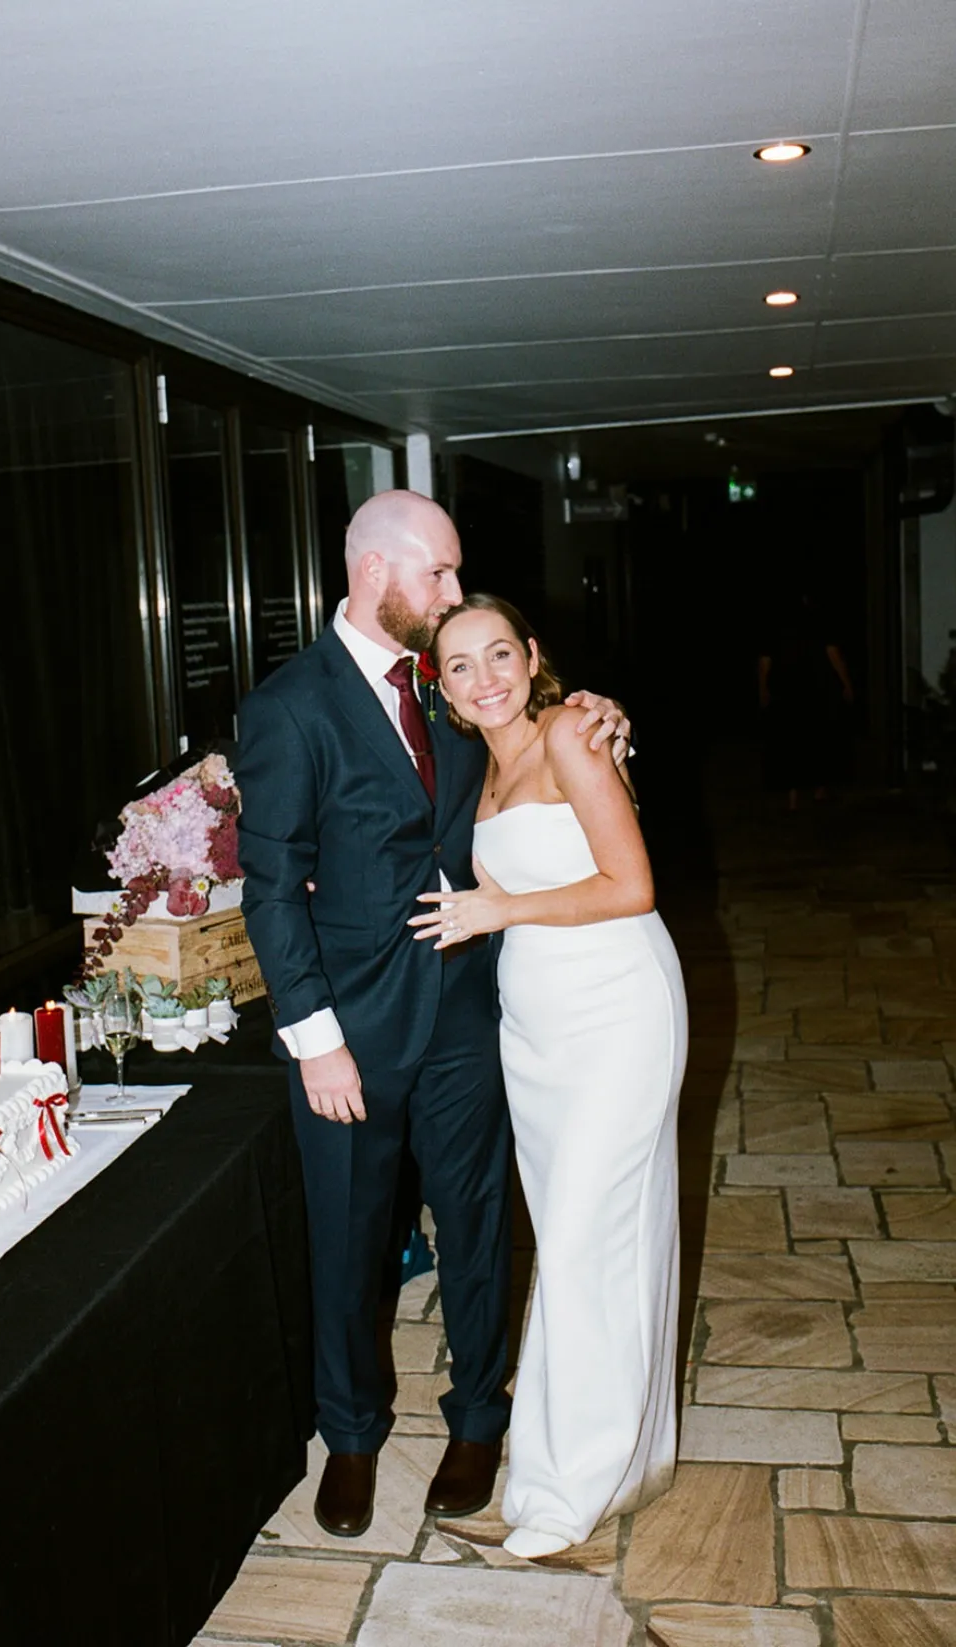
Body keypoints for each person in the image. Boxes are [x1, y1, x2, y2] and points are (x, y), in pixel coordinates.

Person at [235, 492, 629, 1540]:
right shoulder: (290, 706)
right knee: (349, 1243)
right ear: (374, 570)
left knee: (479, 1223)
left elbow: (534, 749)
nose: (455, 594)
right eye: (441, 573)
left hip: (467, 1014)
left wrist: (593, 713)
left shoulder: (452, 690)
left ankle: (478, 1421)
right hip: (349, 1036)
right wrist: (313, 1039)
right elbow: (269, 887)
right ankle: (352, 1437)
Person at [409, 592, 686, 1559]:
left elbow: (632, 884)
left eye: (498, 655)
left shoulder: (572, 732)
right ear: (440, 689)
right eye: (459, 666)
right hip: (535, 1027)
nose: (484, 679)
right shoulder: (474, 766)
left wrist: (497, 912)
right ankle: (586, 1455)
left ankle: (574, 1485)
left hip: (616, 1008)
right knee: (588, 1241)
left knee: (573, 1244)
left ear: (532, 656)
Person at [758, 585, 855, 808]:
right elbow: (834, 654)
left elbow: (764, 661)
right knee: (818, 738)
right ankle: (819, 789)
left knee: (791, 739)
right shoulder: (818, 621)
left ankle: (794, 796)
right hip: (815, 689)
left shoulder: (776, 626)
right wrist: (846, 683)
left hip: (786, 690)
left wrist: (763, 689)